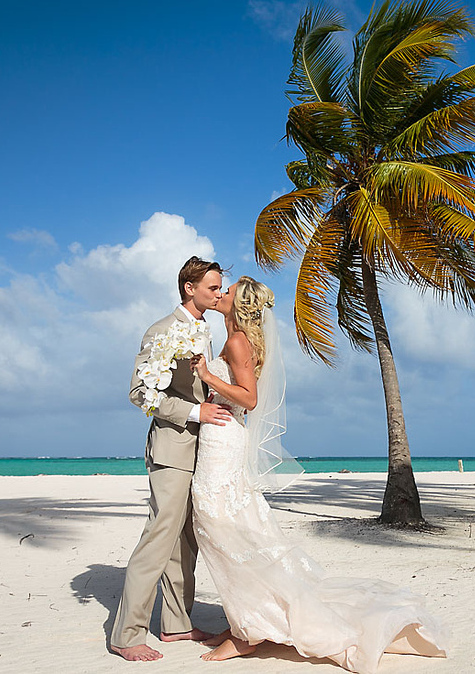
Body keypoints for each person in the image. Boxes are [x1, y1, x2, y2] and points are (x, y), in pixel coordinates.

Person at [188, 276, 448, 672]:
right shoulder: (232, 339)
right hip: (218, 440)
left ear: (239, 305)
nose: (218, 294)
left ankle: (245, 637)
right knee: (227, 533)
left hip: (224, 446)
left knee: (225, 531)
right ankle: (241, 622)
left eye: (226, 292)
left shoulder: (238, 341)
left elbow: (251, 398)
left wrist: (209, 378)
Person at [110, 257, 235, 662]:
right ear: (189, 288)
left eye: (220, 288)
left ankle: (177, 624)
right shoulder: (161, 331)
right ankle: (127, 634)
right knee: (159, 537)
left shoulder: (206, 331)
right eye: (213, 288)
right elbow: (141, 393)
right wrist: (196, 413)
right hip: (170, 448)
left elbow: (198, 387)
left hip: (203, 449)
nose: (219, 294)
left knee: (187, 540)